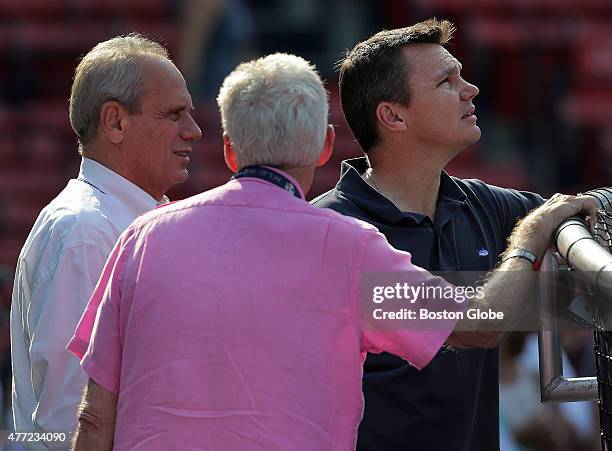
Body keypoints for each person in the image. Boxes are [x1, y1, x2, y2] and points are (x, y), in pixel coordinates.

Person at [65, 52, 594, 451]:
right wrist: (528, 240)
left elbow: (94, 417)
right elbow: (481, 324)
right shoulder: (348, 248)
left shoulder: (143, 238)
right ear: (323, 146)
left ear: (229, 150)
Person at [312, 18, 545, 451]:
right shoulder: (325, 231)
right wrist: (533, 239)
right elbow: (481, 326)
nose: (470, 89)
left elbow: (582, 213)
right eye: (446, 81)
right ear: (393, 116)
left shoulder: (487, 205)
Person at [10, 33, 202, 448]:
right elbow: (71, 416)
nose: (194, 130)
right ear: (115, 121)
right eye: (174, 114)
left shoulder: (118, 222)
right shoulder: (85, 231)